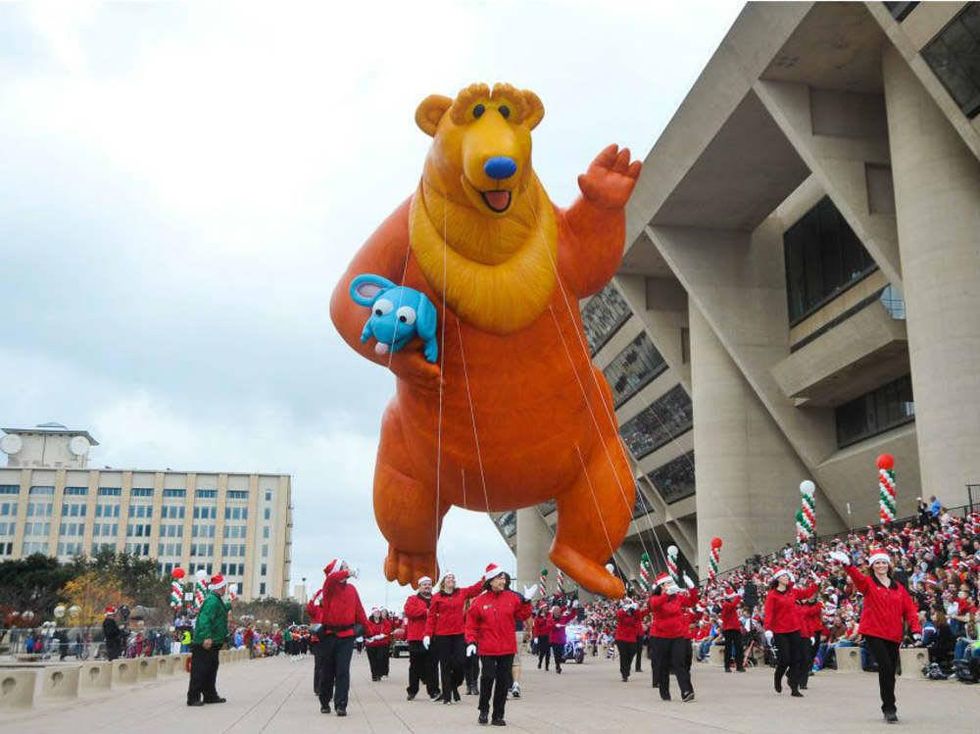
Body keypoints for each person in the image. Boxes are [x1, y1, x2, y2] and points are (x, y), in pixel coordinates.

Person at [830, 548, 921, 724]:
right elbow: (858, 578)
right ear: (872, 566)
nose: (881, 565)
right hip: (874, 632)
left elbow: (910, 610)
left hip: (893, 634)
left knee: (890, 672)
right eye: (877, 563)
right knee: (885, 667)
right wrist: (848, 565)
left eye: (883, 562)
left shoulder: (899, 588)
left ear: (889, 565)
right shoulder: (869, 583)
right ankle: (889, 708)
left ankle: (888, 704)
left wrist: (916, 630)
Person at [464, 563, 535, 726]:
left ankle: (498, 715)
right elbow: (471, 624)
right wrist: (471, 641)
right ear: (491, 581)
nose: (503, 581)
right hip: (487, 647)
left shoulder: (512, 598)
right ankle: (483, 710)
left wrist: (527, 601)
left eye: (504, 578)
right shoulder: (479, 601)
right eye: (500, 578)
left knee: (503, 682)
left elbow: (523, 615)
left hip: (507, 647)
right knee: (488, 678)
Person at [314, 558, 368, 717]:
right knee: (327, 671)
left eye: (347, 567)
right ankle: (325, 701)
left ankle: (341, 704)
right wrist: (348, 572)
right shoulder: (329, 586)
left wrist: (367, 629)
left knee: (343, 671)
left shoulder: (352, 589)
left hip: (346, 636)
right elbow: (331, 578)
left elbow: (359, 610)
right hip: (329, 635)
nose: (347, 569)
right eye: (343, 567)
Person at [424, 571, 483, 704]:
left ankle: (453, 685)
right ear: (443, 582)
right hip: (442, 635)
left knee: (460, 663)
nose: (451, 579)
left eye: (453, 577)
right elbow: (431, 617)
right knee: (445, 665)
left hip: (458, 634)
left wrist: (486, 578)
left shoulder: (461, 593)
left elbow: (475, 589)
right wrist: (427, 634)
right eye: (448, 577)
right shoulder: (437, 597)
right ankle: (447, 696)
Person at [763, 568, 816, 698]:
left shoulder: (792, 591)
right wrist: (768, 629)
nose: (787, 577)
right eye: (784, 576)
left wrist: (816, 583)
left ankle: (794, 687)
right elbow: (769, 613)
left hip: (795, 629)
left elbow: (806, 593)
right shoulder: (772, 595)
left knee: (796, 659)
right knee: (785, 659)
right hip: (780, 631)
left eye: (787, 576)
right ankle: (778, 677)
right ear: (778, 579)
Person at [648, 572, 697, 702]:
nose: (671, 585)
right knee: (663, 665)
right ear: (661, 586)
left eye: (671, 583)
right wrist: (666, 594)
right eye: (667, 583)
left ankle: (686, 691)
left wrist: (692, 588)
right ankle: (664, 692)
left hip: (677, 635)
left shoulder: (677, 598)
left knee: (680, 663)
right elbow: (654, 605)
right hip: (660, 636)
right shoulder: (655, 598)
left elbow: (691, 602)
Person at [187, 573, 229, 707]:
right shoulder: (212, 601)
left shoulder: (216, 600)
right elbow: (205, 619)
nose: (225, 589)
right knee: (200, 670)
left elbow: (220, 614)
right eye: (224, 587)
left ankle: (210, 695)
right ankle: (193, 697)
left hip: (214, 641)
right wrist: (206, 636)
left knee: (210, 669)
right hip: (205, 641)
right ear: (219, 587)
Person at [404, 575, 440, 701]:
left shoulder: (436, 599)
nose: (427, 587)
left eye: (429, 584)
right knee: (415, 666)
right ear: (419, 587)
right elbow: (409, 611)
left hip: (433, 637)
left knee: (432, 665)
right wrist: (425, 611)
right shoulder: (412, 599)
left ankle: (434, 691)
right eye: (424, 585)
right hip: (416, 638)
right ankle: (412, 691)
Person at [614, 598, 644, 682]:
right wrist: (625, 609)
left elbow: (639, 617)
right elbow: (619, 616)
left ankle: (626, 669)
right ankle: (624, 674)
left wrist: (636, 608)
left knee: (631, 654)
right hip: (621, 637)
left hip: (632, 638)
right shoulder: (621, 612)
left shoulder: (634, 614)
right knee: (623, 656)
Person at [720, 588, 744, 673]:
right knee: (728, 648)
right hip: (728, 629)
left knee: (739, 648)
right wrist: (738, 596)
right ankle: (727, 666)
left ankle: (739, 666)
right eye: (732, 597)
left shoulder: (729, 604)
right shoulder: (726, 604)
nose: (734, 598)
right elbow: (733, 605)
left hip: (735, 628)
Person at [548, 604, 575, 674]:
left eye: (558, 611)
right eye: (555, 611)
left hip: (561, 639)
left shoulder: (563, 618)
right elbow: (548, 626)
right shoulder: (550, 619)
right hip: (554, 639)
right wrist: (555, 626)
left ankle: (558, 663)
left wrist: (574, 608)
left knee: (560, 653)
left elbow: (571, 616)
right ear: (553, 612)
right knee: (556, 653)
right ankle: (558, 666)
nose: (557, 612)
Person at [364, 608, 389, 681]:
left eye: (378, 612)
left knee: (380, 659)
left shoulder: (384, 621)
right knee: (372, 660)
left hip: (381, 644)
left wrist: (382, 635)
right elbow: (366, 630)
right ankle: (374, 675)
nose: (377, 613)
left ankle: (379, 674)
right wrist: (371, 636)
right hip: (371, 644)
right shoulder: (368, 622)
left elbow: (388, 629)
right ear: (372, 613)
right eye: (376, 612)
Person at [532, 606, 553, 670]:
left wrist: (546, 619)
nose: (545, 611)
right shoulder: (537, 618)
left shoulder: (549, 616)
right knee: (542, 651)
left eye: (546, 609)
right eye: (544, 609)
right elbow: (536, 627)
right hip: (541, 636)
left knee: (548, 652)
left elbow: (551, 624)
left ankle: (547, 666)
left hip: (548, 636)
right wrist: (535, 637)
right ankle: (540, 661)